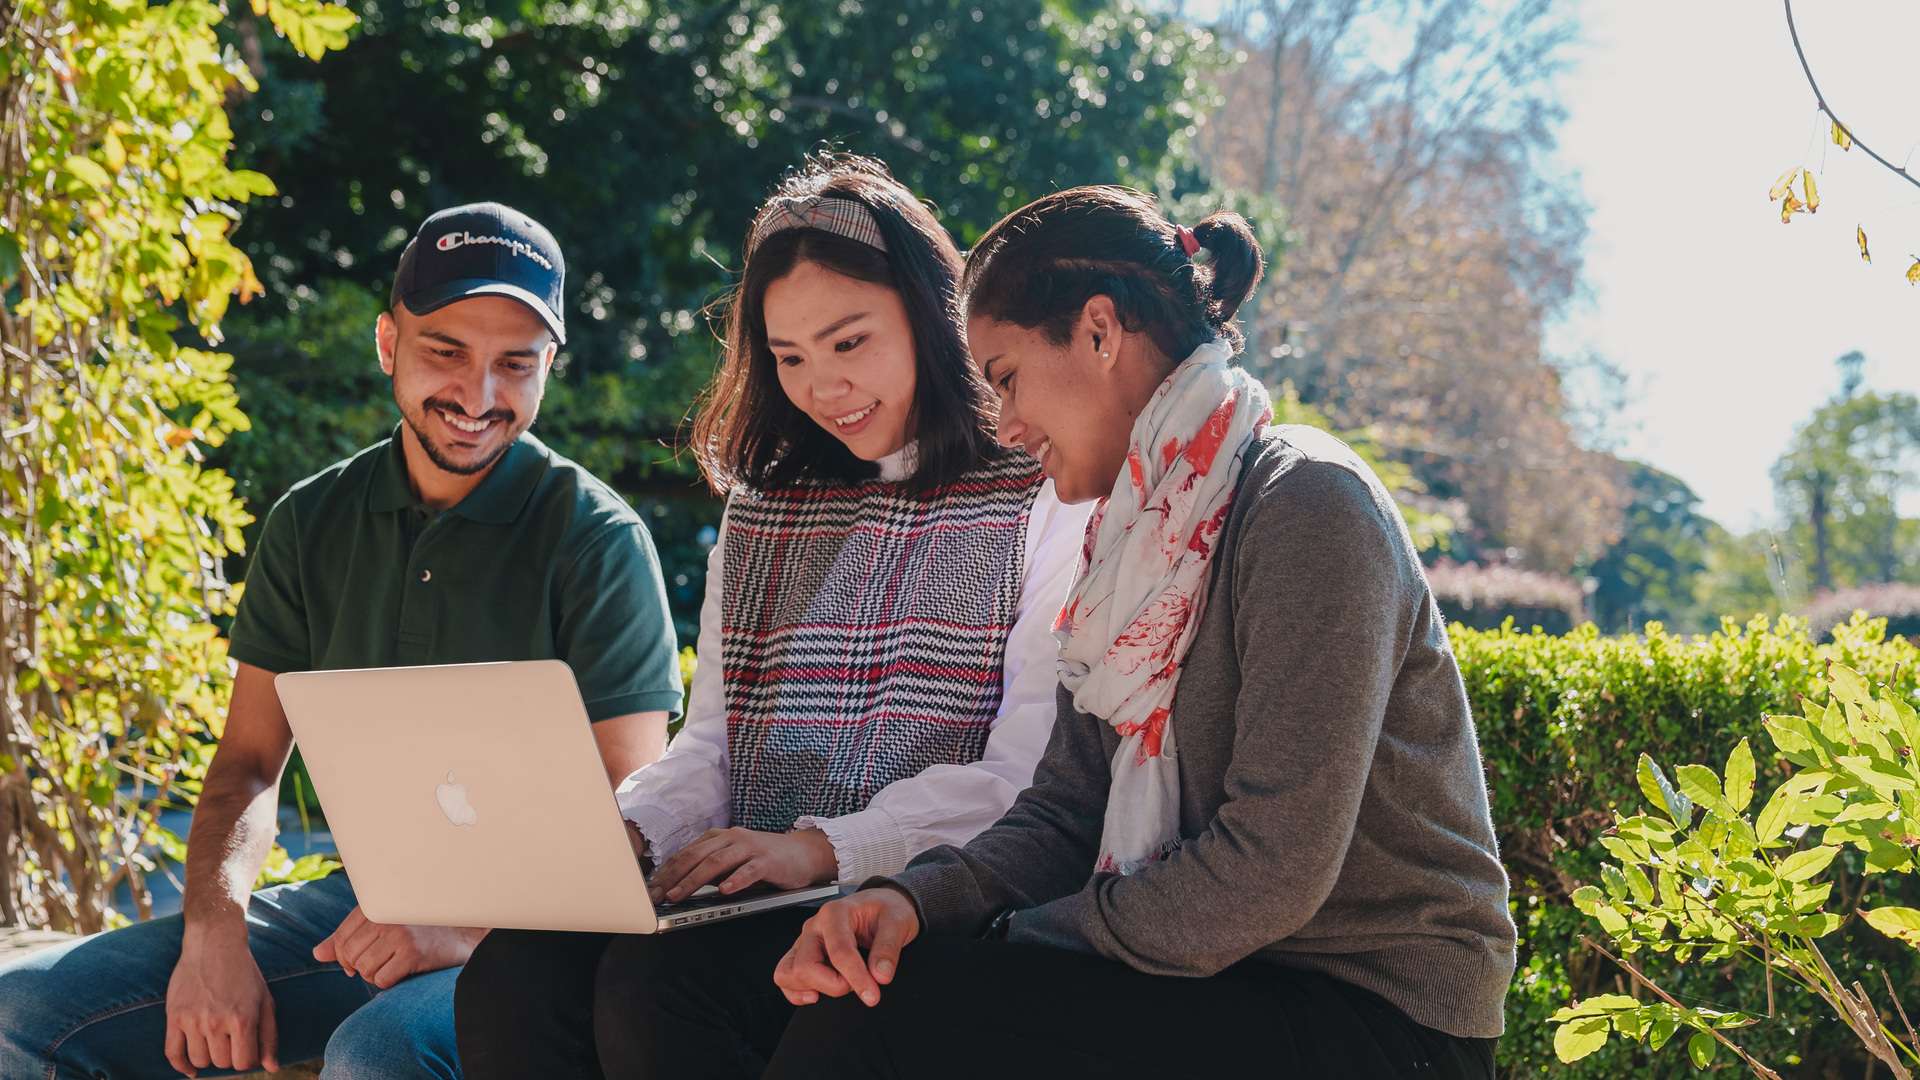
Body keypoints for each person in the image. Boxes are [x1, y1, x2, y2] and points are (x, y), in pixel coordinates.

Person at [766, 185, 1517, 1079]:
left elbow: (1271, 868)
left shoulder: (1308, 505)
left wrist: (1016, 936)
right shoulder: (1130, 542)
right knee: (861, 996)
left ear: (1097, 332)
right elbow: (1065, 811)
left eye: (1006, 378)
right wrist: (914, 902)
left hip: (1376, 1017)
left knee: (895, 1024)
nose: (1005, 426)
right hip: (1220, 984)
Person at [0, 202, 685, 1079]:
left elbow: (629, 823)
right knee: (28, 1015)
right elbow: (250, 761)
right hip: (356, 912)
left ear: (549, 367)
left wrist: (458, 928)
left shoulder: (597, 538)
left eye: (515, 364)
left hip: (536, 942)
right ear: (387, 342)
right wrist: (217, 931)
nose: (478, 396)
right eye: (445, 351)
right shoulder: (311, 521)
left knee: (380, 1051)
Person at [454, 154, 1090, 1078]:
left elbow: (1025, 778)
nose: (820, 385)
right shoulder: (763, 511)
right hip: (747, 891)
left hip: (924, 896)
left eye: (848, 342)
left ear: (930, 316)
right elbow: (710, 743)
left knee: (659, 987)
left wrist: (819, 849)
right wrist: (630, 832)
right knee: (516, 970)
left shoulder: (1043, 491)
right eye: (788, 357)